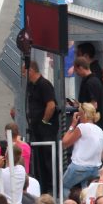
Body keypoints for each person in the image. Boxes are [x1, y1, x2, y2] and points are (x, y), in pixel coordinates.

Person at [23, 61, 59, 189]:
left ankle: (52, 187)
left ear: (31, 71)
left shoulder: (44, 85)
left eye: (24, 71)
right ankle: (43, 185)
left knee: (48, 158)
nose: (23, 74)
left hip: (46, 130)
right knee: (40, 159)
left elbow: (51, 105)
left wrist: (44, 121)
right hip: (36, 129)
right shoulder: (32, 85)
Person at [62, 103, 103, 193]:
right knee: (86, 191)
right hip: (95, 168)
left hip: (79, 166)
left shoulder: (82, 127)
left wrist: (72, 125)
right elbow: (102, 154)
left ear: (83, 114)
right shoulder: (100, 130)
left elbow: (65, 143)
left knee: (64, 186)